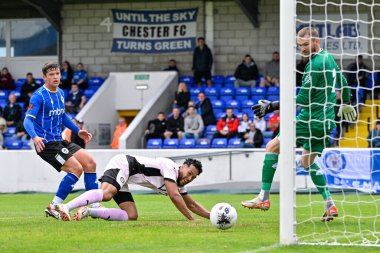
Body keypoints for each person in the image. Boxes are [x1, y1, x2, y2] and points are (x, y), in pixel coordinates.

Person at [241, 27, 356, 222]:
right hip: (327, 121)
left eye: (304, 45)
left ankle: (263, 198)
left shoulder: (314, 65)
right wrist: (345, 103)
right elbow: (343, 81)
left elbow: (303, 98)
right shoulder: (328, 58)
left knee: (271, 147)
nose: (301, 49)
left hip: (309, 119)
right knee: (307, 162)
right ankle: (330, 204)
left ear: (315, 42)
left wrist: (272, 106)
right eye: (299, 45)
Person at [23, 62, 99, 220]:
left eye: (57, 74)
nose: (55, 77)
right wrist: (35, 137)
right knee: (76, 169)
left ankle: (95, 206)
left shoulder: (61, 93)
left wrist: (78, 130)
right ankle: (53, 206)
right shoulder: (38, 96)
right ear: (44, 77)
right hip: (46, 144)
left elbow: (62, 115)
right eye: (51, 75)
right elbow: (27, 121)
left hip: (60, 141)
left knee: (90, 163)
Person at [55, 155, 210, 222]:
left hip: (127, 176)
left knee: (131, 215)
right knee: (107, 194)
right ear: (182, 166)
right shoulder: (170, 166)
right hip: (124, 164)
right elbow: (174, 196)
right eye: (189, 173)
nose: (189, 178)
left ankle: (88, 211)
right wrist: (191, 219)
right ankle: (65, 206)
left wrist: (212, 217)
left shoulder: (178, 183)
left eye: (193, 177)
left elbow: (192, 204)